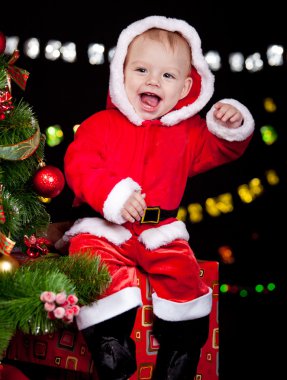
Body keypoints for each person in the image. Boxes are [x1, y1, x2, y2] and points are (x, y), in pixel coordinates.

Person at [59, 15, 255, 380]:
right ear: (121, 74)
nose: (152, 81)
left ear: (184, 89)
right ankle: (109, 345)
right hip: (105, 227)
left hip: (159, 230)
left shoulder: (188, 134)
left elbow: (221, 149)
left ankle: (180, 354)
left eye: (167, 75)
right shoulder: (99, 125)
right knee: (91, 262)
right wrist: (112, 195)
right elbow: (80, 164)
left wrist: (230, 126)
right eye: (142, 69)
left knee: (186, 279)